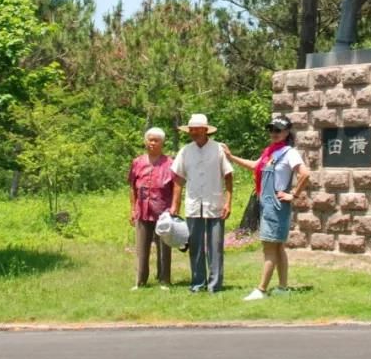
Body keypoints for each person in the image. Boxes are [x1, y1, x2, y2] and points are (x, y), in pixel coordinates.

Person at [223, 117, 310, 301]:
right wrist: (231, 158)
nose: (274, 133)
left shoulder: (289, 153)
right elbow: (255, 166)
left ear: (287, 132)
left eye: (278, 130)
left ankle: (261, 289)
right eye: (271, 130)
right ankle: (283, 287)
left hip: (276, 206)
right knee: (278, 248)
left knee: (269, 248)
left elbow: (305, 173)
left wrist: (293, 194)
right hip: (268, 204)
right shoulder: (270, 152)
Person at [169, 113, 233, 293]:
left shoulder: (218, 149)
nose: (193, 132)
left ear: (205, 130)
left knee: (216, 246)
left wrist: (228, 202)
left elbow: (228, 176)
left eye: (197, 129)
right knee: (195, 245)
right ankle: (197, 283)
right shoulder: (185, 151)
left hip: (215, 202)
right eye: (191, 129)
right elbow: (178, 179)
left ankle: (215, 285)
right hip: (194, 202)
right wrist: (175, 204)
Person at [128, 127, 174, 290]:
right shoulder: (137, 162)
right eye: (150, 140)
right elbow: (132, 187)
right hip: (142, 209)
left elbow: (177, 187)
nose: (152, 143)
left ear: (162, 143)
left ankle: (164, 279)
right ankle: (140, 281)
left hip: (163, 210)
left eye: (156, 140)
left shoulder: (170, 163)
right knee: (141, 248)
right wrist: (133, 209)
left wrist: (174, 207)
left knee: (164, 247)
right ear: (145, 141)